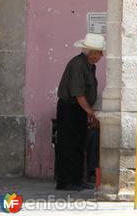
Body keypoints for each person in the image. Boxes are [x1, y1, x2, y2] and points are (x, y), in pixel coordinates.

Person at [55, 32, 104, 191]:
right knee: (68, 145)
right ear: (91, 52)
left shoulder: (89, 65)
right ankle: (66, 181)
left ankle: (76, 179)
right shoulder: (78, 65)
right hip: (70, 109)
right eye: (99, 52)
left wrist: (88, 112)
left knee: (78, 145)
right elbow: (78, 94)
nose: (101, 55)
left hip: (78, 110)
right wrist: (90, 112)